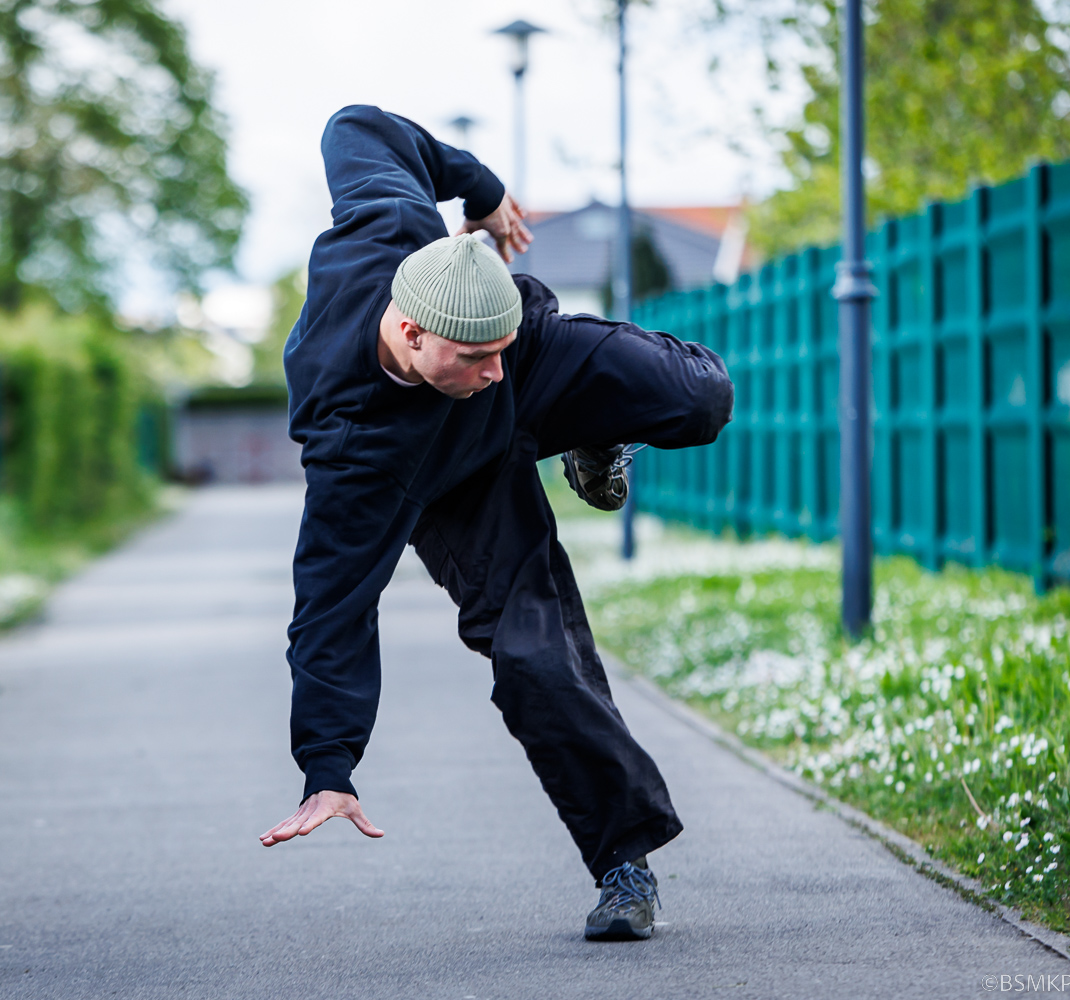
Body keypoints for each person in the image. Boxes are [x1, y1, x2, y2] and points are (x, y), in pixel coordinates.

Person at [258, 105, 733, 942]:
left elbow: (357, 126)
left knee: (698, 396)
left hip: (543, 359)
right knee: (534, 660)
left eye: (494, 350)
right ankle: (623, 863)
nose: (490, 372)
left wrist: (480, 190)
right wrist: (327, 765)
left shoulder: (396, 227)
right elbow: (330, 604)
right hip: (454, 481)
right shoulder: (352, 447)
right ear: (409, 333)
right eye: (475, 357)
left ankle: (592, 430)